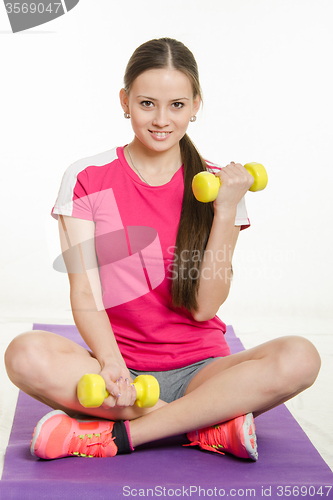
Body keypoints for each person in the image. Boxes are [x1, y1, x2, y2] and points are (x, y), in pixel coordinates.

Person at [5, 37, 321, 461]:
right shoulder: (87, 177)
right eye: (147, 103)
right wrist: (113, 365)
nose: (161, 120)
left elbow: (205, 309)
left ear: (195, 105)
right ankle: (201, 425)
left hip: (202, 372)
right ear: (125, 101)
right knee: (24, 355)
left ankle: (121, 435)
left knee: (301, 356)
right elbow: (85, 291)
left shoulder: (221, 186)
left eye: (176, 105)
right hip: (118, 371)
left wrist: (226, 211)